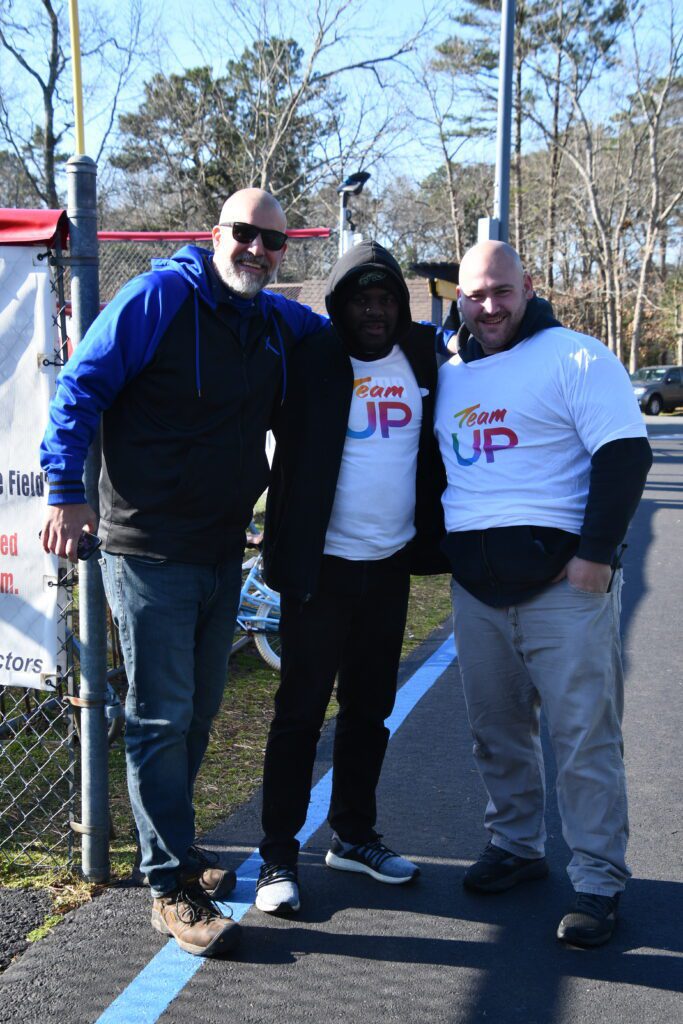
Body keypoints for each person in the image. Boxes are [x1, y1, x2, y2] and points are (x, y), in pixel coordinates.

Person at [39, 189, 328, 957]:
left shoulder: (271, 322)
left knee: (197, 714)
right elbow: (80, 389)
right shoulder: (159, 295)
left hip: (219, 551)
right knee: (161, 716)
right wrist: (66, 492)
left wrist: (421, 340)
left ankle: (176, 853)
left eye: (274, 241)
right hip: (146, 550)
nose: (259, 251)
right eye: (246, 235)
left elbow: (347, 334)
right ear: (215, 235)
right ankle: (166, 884)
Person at [434, 240, 652, 948]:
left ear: (528, 286)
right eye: (475, 294)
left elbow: (624, 453)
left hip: (564, 584)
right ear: (458, 298)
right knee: (495, 731)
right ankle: (517, 847)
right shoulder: (451, 374)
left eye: (500, 290)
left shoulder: (575, 355)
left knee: (584, 735)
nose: (488, 305)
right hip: (477, 590)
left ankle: (595, 879)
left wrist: (595, 555)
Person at [254, 241, 446, 914]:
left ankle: (352, 835)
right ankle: (277, 857)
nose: (375, 310)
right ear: (339, 305)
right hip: (321, 570)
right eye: (361, 299)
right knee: (300, 715)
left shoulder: (423, 355)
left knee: (369, 710)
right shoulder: (309, 360)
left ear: (400, 306)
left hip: (388, 565)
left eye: (386, 298)